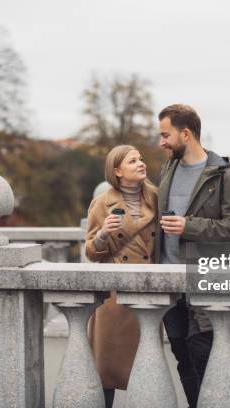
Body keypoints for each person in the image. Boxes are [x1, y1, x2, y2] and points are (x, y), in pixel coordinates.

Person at [156, 104, 230, 408]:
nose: (161, 142)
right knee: (182, 357)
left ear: (186, 133)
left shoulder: (225, 175)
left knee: (203, 355)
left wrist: (188, 226)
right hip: (170, 283)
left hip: (205, 282)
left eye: (165, 135)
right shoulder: (168, 169)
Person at [85, 145, 158, 408]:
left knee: (147, 370)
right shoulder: (102, 203)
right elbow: (91, 251)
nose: (141, 163)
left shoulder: (156, 198)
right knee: (106, 371)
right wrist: (103, 233)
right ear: (117, 171)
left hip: (147, 295)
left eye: (141, 158)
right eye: (133, 161)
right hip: (114, 298)